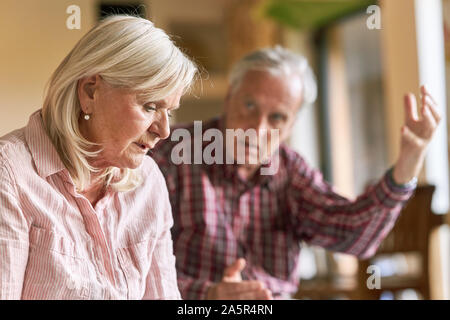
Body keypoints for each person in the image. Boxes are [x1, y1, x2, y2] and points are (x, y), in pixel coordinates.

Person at [151, 46, 441, 300]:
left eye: (277, 117)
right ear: (230, 98)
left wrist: (408, 161)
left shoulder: (291, 171)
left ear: (291, 126)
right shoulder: (170, 154)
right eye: (249, 106)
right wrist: (209, 295)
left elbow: (355, 236)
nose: (258, 128)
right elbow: (135, 268)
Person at [0, 15, 197, 299]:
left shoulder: (148, 180)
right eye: (150, 106)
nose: (164, 130)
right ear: (90, 91)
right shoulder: (10, 174)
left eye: (170, 110)